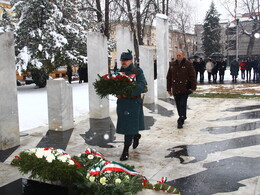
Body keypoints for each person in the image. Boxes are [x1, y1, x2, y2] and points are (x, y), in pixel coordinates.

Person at [116, 50, 147, 161]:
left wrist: (129, 92)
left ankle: (125, 150)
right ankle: (135, 135)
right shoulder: (118, 72)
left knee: (129, 125)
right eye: (122, 60)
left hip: (133, 103)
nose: (123, 62)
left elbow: (142, 84)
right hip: (122, 103)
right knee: (126, 125)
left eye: (126, 60)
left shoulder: (137, 71)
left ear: (131, 60)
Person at [167, 50, 197, 129]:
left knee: (182, 104)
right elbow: (169, 77)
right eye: (177, 55)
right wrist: (168, 89)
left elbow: (192, 76)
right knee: (178, 104)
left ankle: (181, 119)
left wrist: (193, 87)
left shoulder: (188, 64)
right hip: (176, 88)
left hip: (185, 88)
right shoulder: (173, 64)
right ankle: (182, 116)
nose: (178, 57)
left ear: (183, 55)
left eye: (180, 55)